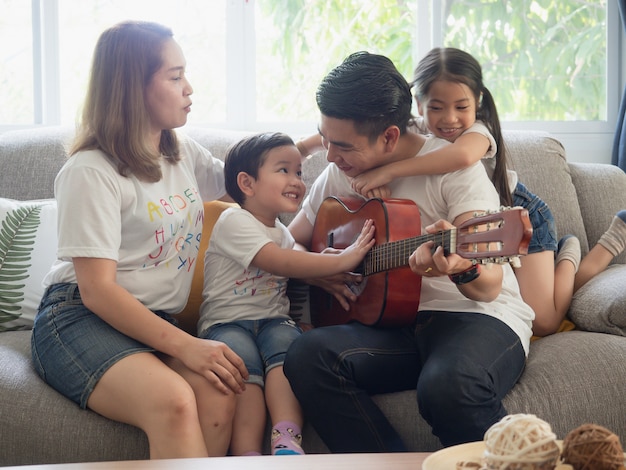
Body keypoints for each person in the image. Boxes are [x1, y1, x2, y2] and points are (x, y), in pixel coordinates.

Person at [283, 51, 536, 450]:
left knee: (447, 386)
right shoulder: (338, 172)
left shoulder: (455, 169)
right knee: (305, 356)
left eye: (343, 146)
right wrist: (317, 268)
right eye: (325, 139)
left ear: (389, 137)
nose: (329, 156)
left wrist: (459, 268)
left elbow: (489, 285)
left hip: (474, 317)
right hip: (391, 326)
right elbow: (293, 239)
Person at [30, 21, 249, 459]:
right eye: (174, 76)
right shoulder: (90, 171)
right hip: (78, 318)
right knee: (174, 401)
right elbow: (98, 291)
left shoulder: (180, 152)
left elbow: (247, 182)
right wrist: (188, 345)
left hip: (152, 320)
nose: (189, 88)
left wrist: (325, 146)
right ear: (132, 87)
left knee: (219, 388)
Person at [296, 47, 626, 337]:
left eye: (460, 106)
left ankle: (574, 254)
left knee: (546, 320)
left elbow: (462, 158)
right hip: (475, 222)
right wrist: (317, 270)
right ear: (420, 105)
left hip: (516, 209)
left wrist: (388, 171)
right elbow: (334, 135)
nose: (449, 119)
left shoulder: (473, 136)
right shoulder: (394, 126)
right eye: (437, 107)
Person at [197, 132, 375, 456]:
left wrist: (329, 266)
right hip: (226, 323)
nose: (297, 181)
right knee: (241, 368)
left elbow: (298, 268)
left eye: (299, 172)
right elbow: (279, 261)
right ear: (247, 184)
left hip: (274, 320)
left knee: (288, 356)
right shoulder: (233, 220)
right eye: (284, 171)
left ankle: (286, 439)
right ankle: (247, 452)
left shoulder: (282, 231)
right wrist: (346, 257)